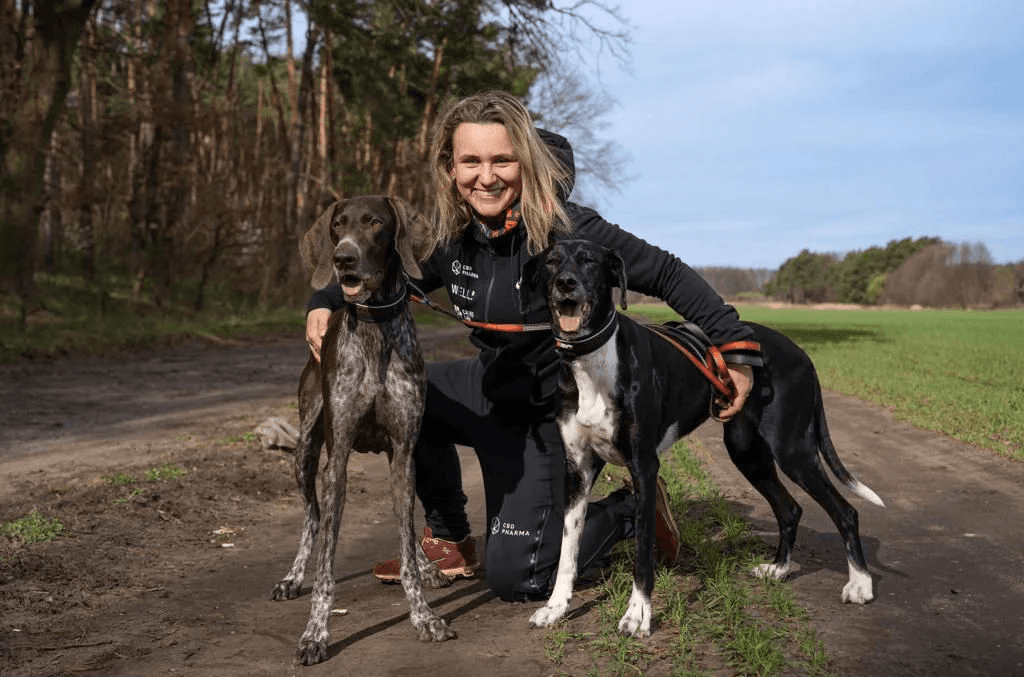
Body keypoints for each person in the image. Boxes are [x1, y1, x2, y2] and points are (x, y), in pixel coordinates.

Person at [304, 90, 755, 602]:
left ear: (527, 159)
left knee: (521, 578)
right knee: (411, 394)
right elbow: (386, 268)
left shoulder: (569, 228)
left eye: (503, 159)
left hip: (550, 414)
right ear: (450, 167)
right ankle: (449, 535)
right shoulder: (451, 233)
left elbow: (668, 273)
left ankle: (630, 511)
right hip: (490, 387)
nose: (486, 176)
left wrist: (734, 347)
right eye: (470, 160)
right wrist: (323, 302)